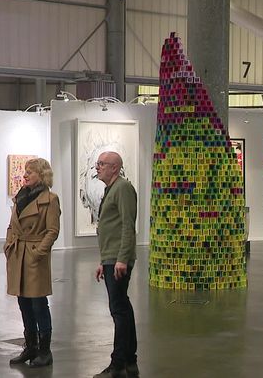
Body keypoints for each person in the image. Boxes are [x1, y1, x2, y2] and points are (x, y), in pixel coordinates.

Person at [4, 158, 61, 368]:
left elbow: (52, 230)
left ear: (42, 175)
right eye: (25, 172)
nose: (25, 175)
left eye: (30, 172)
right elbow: (12, 225)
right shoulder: (20, 197)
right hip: (19, 254)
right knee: (23, 302)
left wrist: (39, 252)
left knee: (38, 304)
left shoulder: (50, 199)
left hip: (34, 256)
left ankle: (45, 351)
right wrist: (8, 244)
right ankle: (30, 347)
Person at [93, 151, 139, 378]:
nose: (97, 167)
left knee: (118, 309)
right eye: (98, 163)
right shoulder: (111, 189)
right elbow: (111, 226)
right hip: (111, 258)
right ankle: (130, 360)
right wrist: (105, 261)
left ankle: (118, 363)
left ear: (115, 167)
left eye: (102, 164)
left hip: (119, 259)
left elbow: (127, 225)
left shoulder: (122, 188)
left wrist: (121, 258)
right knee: (122, 307)